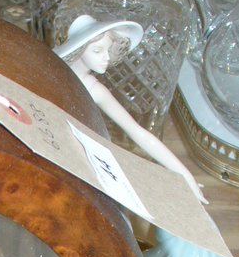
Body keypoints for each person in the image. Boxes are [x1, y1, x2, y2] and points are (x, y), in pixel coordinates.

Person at [54, 15, 207, 202]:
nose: (106, 57)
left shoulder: (94, 90)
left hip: (69, 158)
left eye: (108, 50)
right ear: (79, 50)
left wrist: (185, 176)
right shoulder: (52, 69)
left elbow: (136, 131)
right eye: (97, 50)